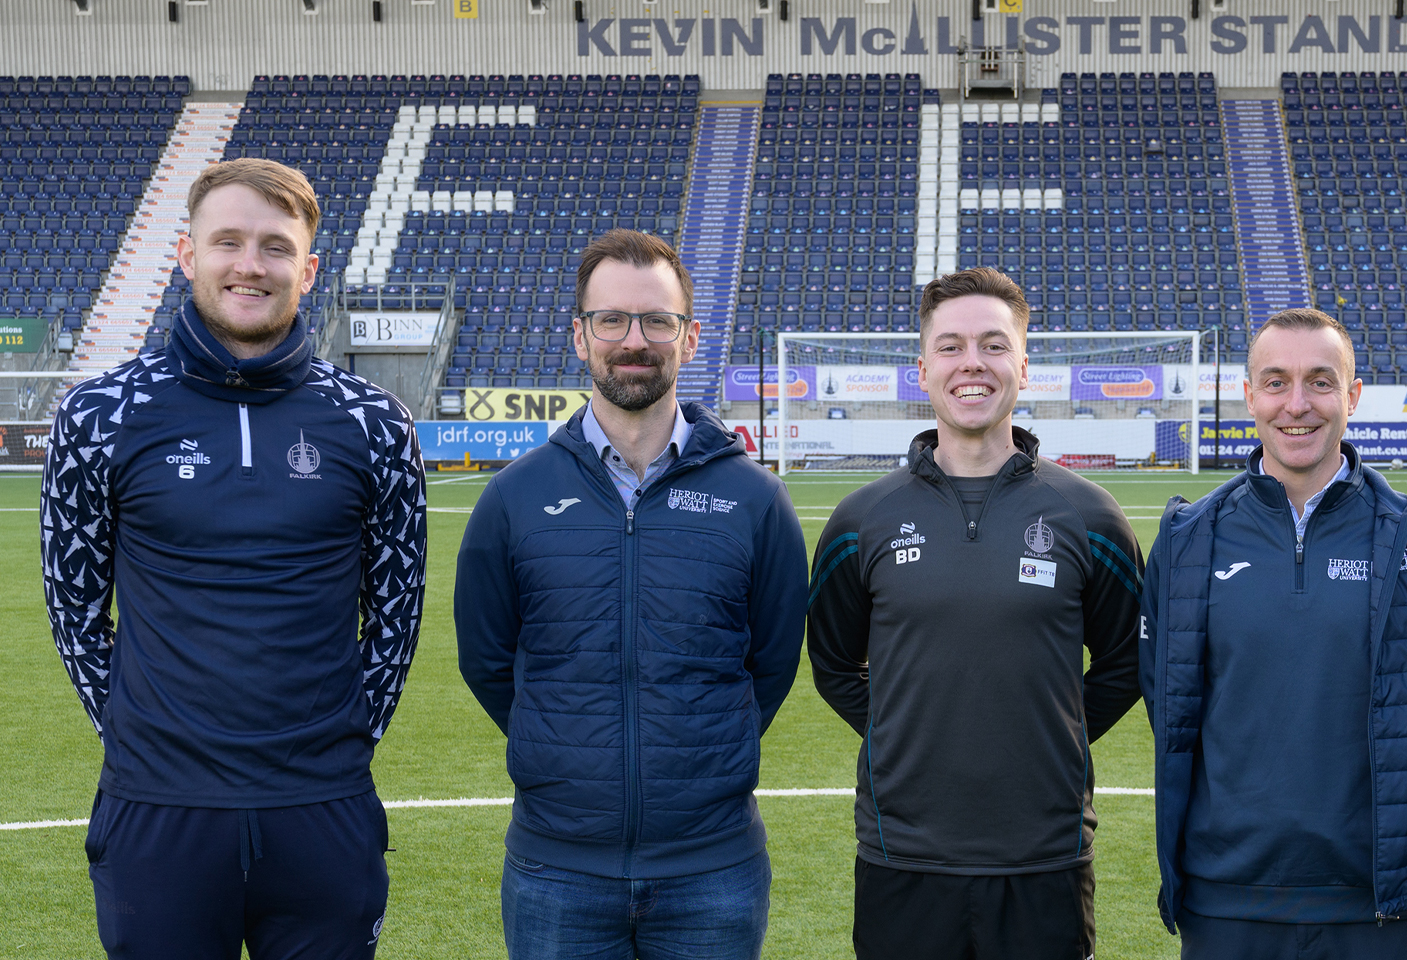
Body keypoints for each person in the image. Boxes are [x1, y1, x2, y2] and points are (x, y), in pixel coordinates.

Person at [40, 158, 427, 958]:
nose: (251, 264)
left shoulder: (374, 423)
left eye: (276, 247)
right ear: (188, 255)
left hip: (324, 805)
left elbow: (397, 615)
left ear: (309, 268)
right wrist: (137, 734)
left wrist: (345, 738)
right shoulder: (100, 413)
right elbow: (73, 607)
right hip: (157, 810)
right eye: (229, 241)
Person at [455, 228, 807, 960]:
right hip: (557, 869)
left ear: (690, 336)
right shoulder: (514, 497)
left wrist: (703, 755)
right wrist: (564, 755)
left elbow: (770, 664)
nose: (634, 340)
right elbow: (488, 661)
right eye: (611, 320)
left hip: (713, 868)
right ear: (580, 336)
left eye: (657, 321)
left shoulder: (756, 500)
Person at [806, 267, 1144, 960]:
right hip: (904, 854)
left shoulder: (1091, 517)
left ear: (1023, 365)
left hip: (1044, 854)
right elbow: (834, 664)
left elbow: (1128, 662)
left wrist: (1056, 734)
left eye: (993, 345)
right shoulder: (861, 519)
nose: (973, 364)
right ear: (922, 367)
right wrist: (904, 732)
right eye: (952, 345)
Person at [1140, 307, 1407, 960]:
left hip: (1378, 903)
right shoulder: (1187, 541)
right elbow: (1170, 704)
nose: (1297, 404)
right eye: (1276, 382)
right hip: (1227, 899)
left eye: (1320, 382)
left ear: (1352, 395)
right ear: (1249, 395)